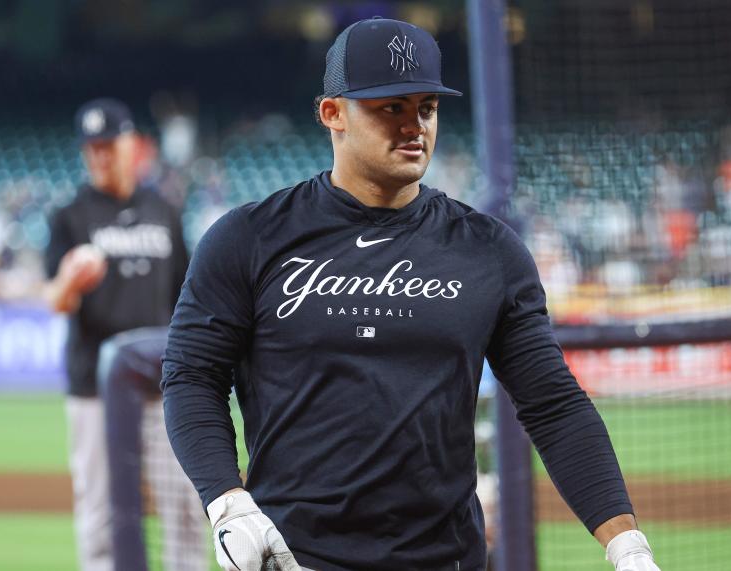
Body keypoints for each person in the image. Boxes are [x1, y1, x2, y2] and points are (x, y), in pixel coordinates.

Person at [162, 17, 661, 571]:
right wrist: (227, 503)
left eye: (426, 107)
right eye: (389, 108)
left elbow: (554, 405)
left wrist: (626, 544)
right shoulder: (249, 237)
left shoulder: (488, 250)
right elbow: (190, 376)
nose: (414, 126)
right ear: (333, 114)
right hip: (294, 559)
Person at [44, 98, 193, 571]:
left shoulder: (164, 211)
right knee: (99, 510)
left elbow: (187, 296)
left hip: (162, 384)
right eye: (92, 148)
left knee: (185, 507)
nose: (101, 156)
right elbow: (56, 302)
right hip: (94, 385)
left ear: (133, 145)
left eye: (109, 145)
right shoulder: (68, 216)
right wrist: (69, 281)